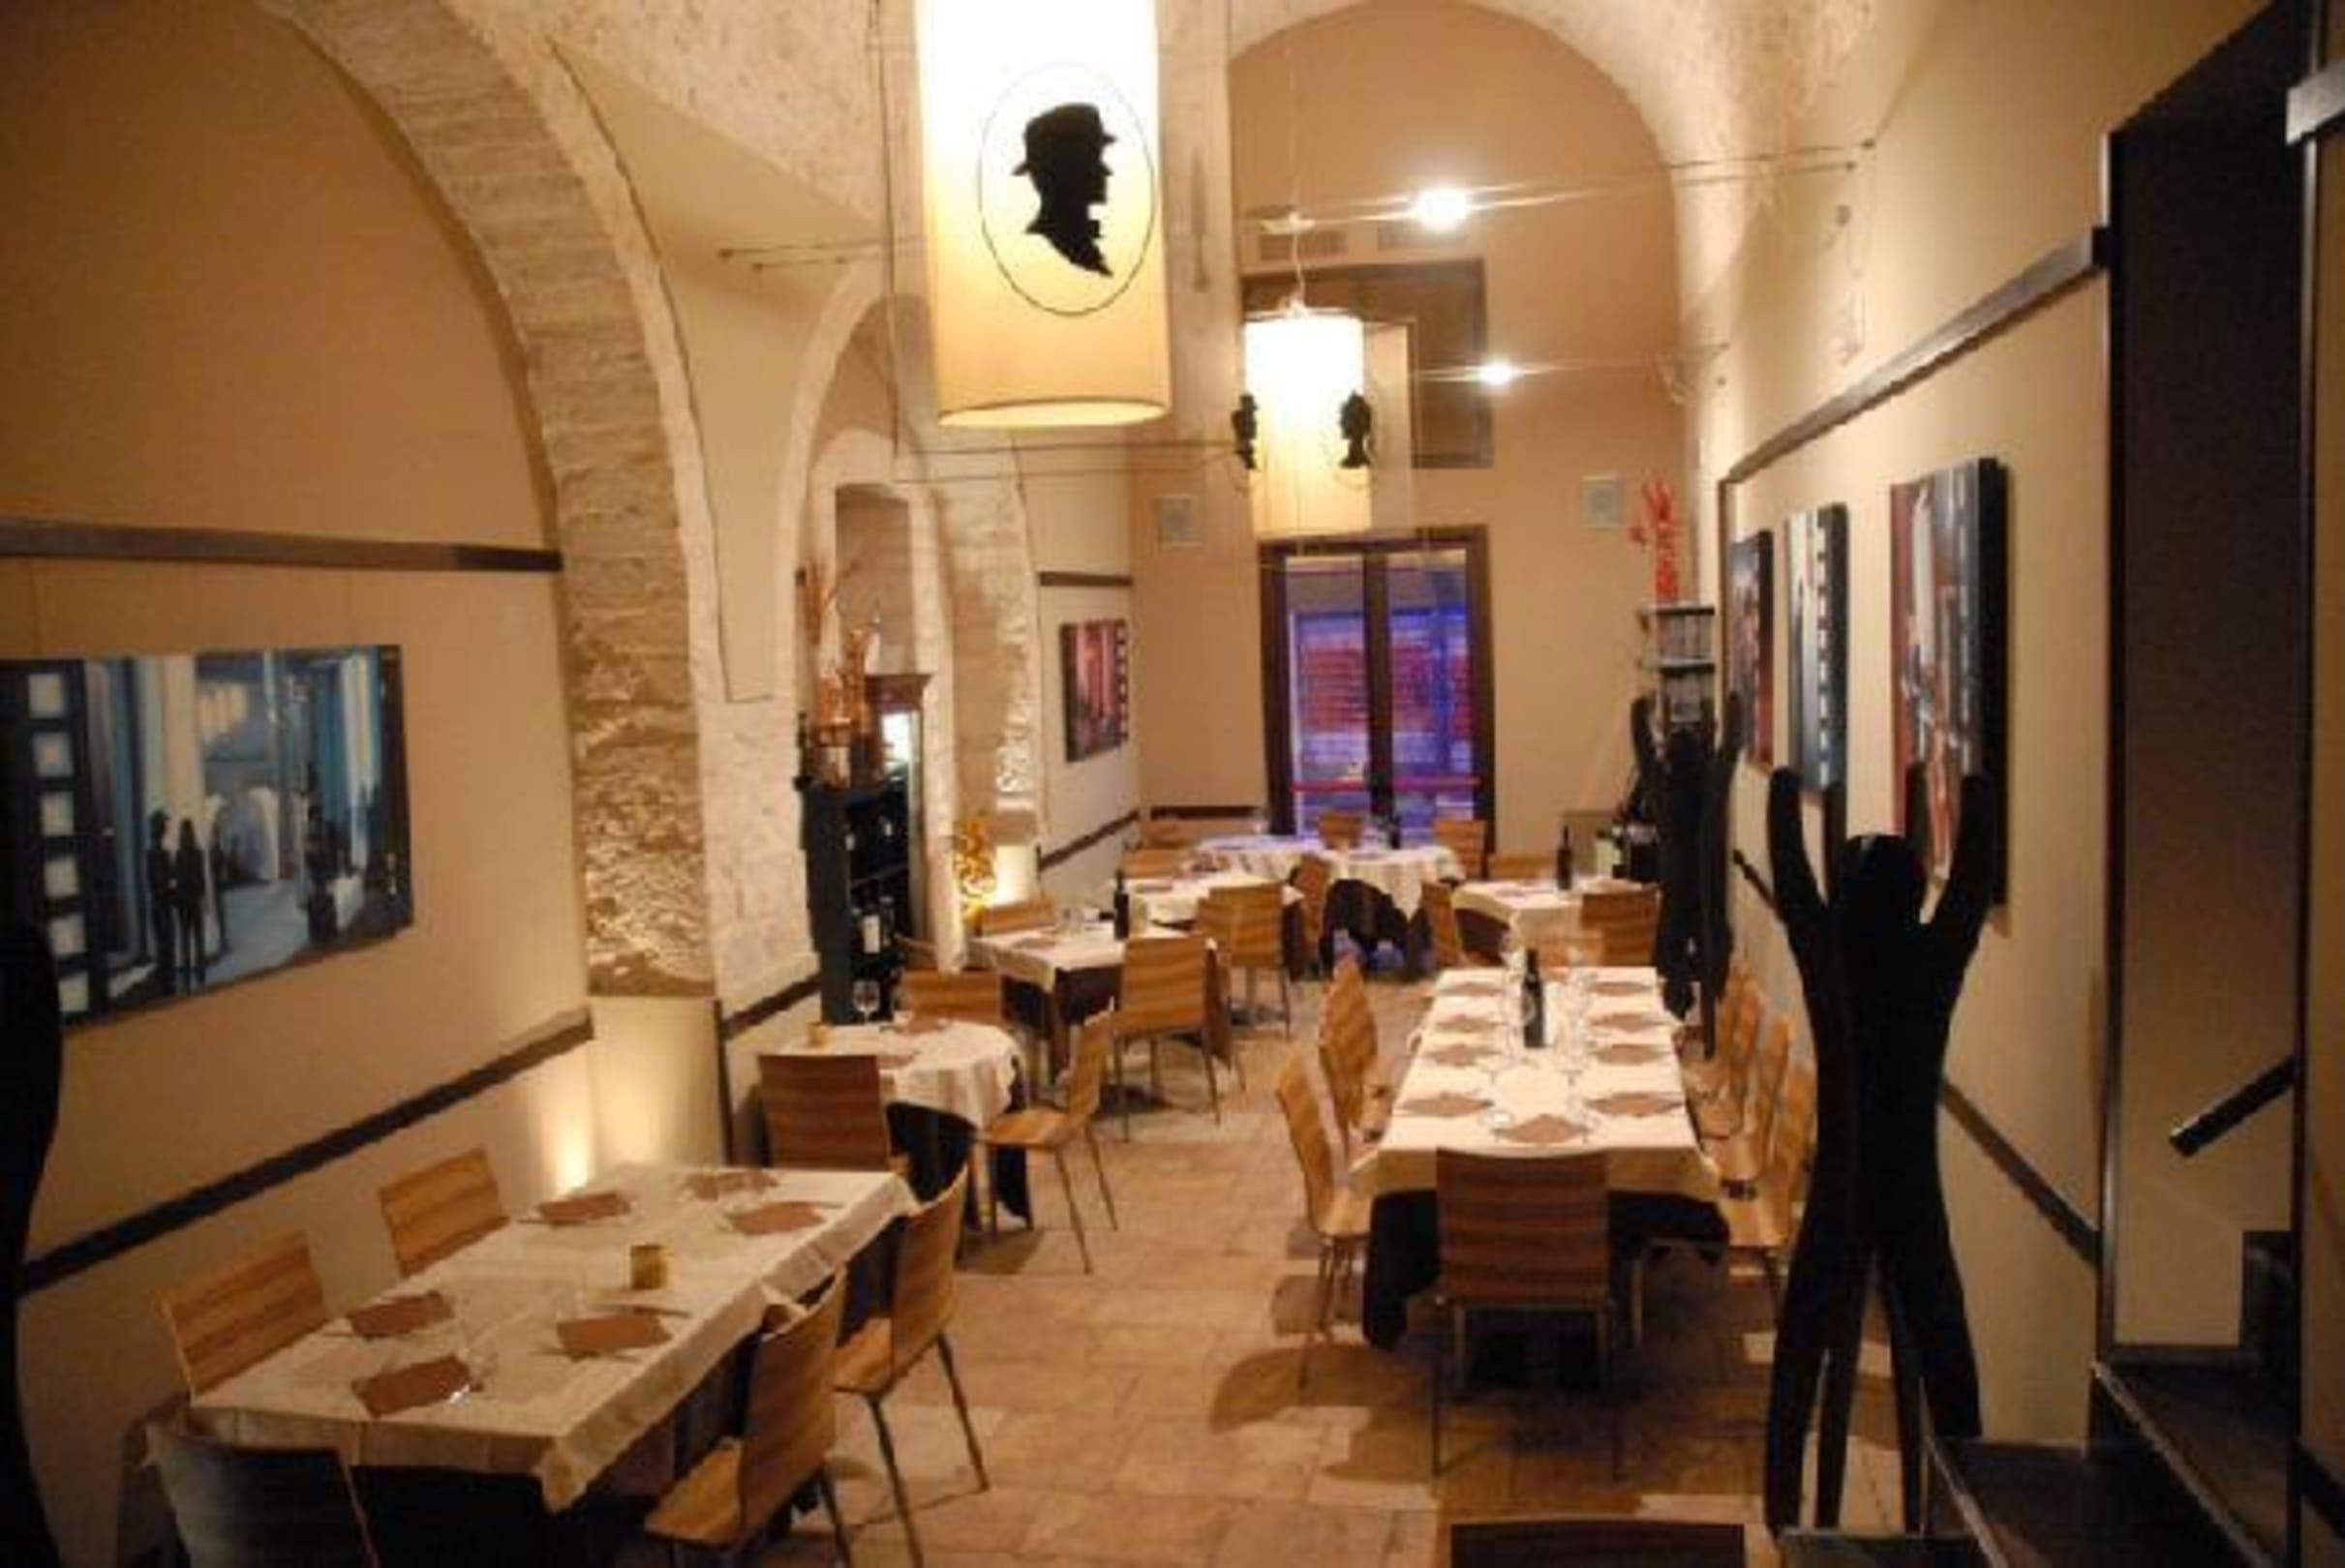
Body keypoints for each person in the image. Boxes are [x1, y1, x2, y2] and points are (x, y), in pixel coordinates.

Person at [1015, 101, 1115, 276]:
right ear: (1064, 173)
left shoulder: (1079, 240)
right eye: (1092, 161)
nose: (1106, 172)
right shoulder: (1074, 245)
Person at [172, 819, 207, 990]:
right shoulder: (198, 854)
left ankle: (186, 975)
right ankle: (200, 973)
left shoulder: (179, 855)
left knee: (185, 940)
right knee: (198, 939)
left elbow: (176, 879)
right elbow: (201, 881)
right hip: (195, 902)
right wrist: (201, 897)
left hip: (183, 904)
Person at [143, 810, 175, 997]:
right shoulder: (160, 854)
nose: (166, 828)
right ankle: (167, 985)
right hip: (162, 905)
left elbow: (153, 881)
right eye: (164, 825)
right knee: (166, 945)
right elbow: (164, 880)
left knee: (163, 944)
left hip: (158, 905)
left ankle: (165, 983)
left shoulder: (152, 854)